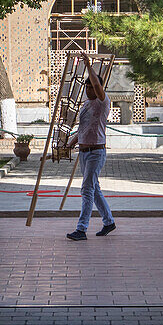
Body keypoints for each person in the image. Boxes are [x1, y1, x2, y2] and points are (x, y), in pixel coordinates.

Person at [64, 54, 116, 241]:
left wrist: (88, 66)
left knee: (86, 190)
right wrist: (70, 144)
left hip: (96, 152)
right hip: (84, 153)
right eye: (86, 87)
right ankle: (109, 221)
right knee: (94, 190)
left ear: (98, 88)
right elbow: (83, 129)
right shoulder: (86, 104)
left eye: (90, 87)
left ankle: (81, 229)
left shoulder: (103, 102)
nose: (88, 90)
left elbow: (97, 85)